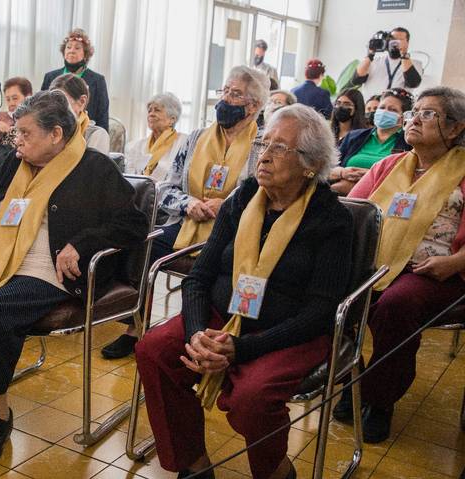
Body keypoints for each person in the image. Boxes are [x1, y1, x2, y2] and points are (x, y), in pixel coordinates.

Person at [0, 90, 148, 467]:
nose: (18, 142)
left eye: (25, 134)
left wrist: (82, 243)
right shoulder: (18, 163)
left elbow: (133, 223)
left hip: (50, 270)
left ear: (56, 134)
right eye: (16, 133)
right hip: (0, 259)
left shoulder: (94, 167)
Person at [136, 103, 352, 479]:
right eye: (263, 144)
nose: (263, 156)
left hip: (289, 330)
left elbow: (320, 311)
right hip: (223, 314)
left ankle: (275, 471)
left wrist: (242, 349)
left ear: (311, 165)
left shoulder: (332, 219)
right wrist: (198, 335)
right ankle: (193, 463)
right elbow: (199, 277)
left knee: (251, 398)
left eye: (279, 148)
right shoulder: (242, 199)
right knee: (154, 350)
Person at [101, 66, 267, 360]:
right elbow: (165, 187)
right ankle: (134, 328)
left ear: (253, 106)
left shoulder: (262, 144)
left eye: (236, 94)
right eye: (224, 91)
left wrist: (228, 205)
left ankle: (224, 335)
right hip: (189, 221)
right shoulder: (196, 138)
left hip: (235, 229)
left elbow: (264, 194)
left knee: (228, 265)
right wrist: (188, 203)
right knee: (144, 243)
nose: (226, 99)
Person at [335, 86, 465, 444]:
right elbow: (350, 213)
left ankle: (379, 401)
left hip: (435, 270)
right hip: (378, 263)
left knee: (396, 304)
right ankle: (350, 379)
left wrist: (455, 261)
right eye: (414, 113)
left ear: (455, 129)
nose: (414, 120)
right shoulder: (388, 165)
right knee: (332, 288)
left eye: (428, 114)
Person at [330, 88, 413, 195]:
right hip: (341, 194)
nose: (384, 112)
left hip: (381, 197)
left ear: (403, 117)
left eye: (392, 110)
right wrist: (343, 172)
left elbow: (405, 178)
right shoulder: (355, 136)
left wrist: (373, 175)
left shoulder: (408, 143)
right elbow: (329, 168)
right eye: (382, 107)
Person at [41, 28, 109, 131]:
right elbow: (41, 109)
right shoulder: (50, 77)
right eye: (68, 47)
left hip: (86, 133)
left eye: (77, 48)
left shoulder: (98, 80)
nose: (72, 51)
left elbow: (102, 116)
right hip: (54, 132)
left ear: (85, 54)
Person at [124, 92, 187, 181]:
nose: (151, 114)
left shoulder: (184, 143)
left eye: (157, 110)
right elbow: (129, 176)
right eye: (149, 110)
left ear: (172, 119)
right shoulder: (137, 146)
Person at [351, 27, 423, 98]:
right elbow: (356, 80)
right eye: (392, 39)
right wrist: (370, 54)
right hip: (371, 106)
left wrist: (404, 54)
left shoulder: (415, 64)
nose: (395, 42)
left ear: (407, 43)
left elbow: (413, 83)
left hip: (397, 107)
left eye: (399, 40)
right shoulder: (372, 61)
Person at [50, 73, 110, 154]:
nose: (56, 108)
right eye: (52, 102)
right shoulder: (49, 131)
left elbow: (91, 166)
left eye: (61, 101)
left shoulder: (96, 135)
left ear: (82, 101)